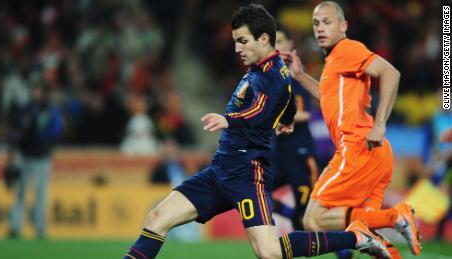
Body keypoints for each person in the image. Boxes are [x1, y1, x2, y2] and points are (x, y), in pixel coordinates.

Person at [123, 4, 391, 259]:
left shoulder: (273, 73)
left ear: (264, 38)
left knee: (269, 252)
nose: (237, 48)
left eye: (243, 41)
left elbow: (260, 108)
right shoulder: (261, 70)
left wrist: (229, 120)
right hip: (220, 170)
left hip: (248, 173)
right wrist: (286, 119)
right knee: (157, 218)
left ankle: (356, 238)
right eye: (235, 41)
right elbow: (282, 102)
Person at [280, 1, 420, 256]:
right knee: (367, 232)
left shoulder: (346, 49)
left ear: (344, 25)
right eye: (316, 23)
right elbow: (328, 98)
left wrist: (380, 124)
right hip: (376, 154)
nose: (320, 28)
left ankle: (395, 217)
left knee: (314, 219)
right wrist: (300, 76)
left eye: (327, 21)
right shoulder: (335, 60)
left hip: (357, 146)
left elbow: (391, 74)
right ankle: (390, 226)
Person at [271, 24, 319, 231]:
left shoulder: (296, 76)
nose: (276, 48)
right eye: (272, 44)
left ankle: (344, 252)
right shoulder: (269, 75)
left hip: (300, 153)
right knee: (253, 192)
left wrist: (272, 117)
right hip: (277, 154)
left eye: (280, 42)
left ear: (290, 44)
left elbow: (305, 113)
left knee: (308, 218)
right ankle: (290, 214)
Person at [7, 82, 63, 238]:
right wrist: (13, 149)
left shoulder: (50, 110)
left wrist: (49, 147)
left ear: (43, 92)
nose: (34, 92)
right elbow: (16, 131)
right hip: (25, 156)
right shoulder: (27, 109)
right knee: (20, 192)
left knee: (40, 194)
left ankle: (40, 228)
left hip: (42, 157)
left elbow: (57, 132)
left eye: (37, 89)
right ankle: (15, 226)